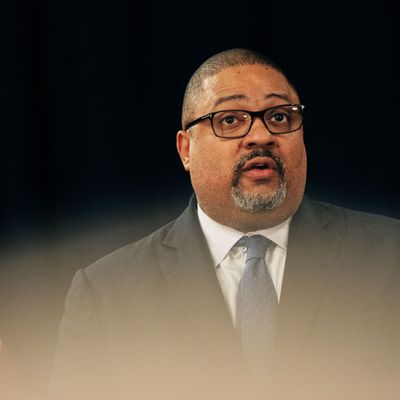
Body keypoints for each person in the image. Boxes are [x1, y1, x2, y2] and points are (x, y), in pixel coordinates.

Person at [48, 49, 400, 400]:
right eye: (230, 120)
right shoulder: (107, 293)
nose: (261, 135)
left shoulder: (389, 256)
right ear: (186, 150)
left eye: (279, 117)